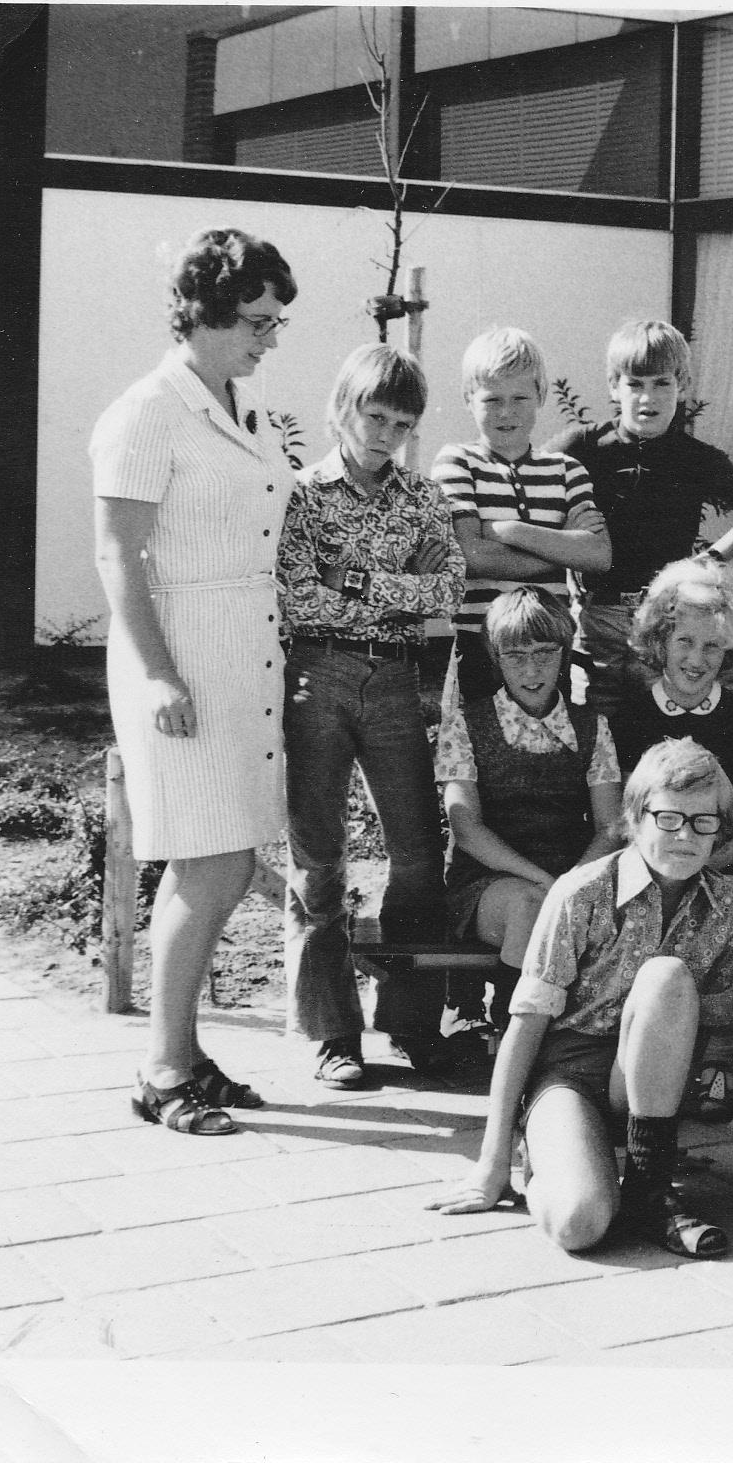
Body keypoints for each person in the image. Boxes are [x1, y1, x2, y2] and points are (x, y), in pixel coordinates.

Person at [93, 227, 298, 1135]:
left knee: (230, 855)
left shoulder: (238, 405)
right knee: (206, 858)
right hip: (180, 658)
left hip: (244, 651)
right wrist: (158, 673)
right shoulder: (145, 411)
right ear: (205, 315)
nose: (268, 338)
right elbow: (117, 552)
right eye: (256, 320)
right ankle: (162, 1070)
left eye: (274, 321)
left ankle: (185, 1049)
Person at [425, 740, 733, 1259]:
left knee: (665, 976)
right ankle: (563, 1153)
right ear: (634, 817)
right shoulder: (582, 892)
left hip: (655, 1080)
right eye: (668, 818)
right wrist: (492, 1162)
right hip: (571, 1071)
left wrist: (721, 1089)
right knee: (578, 1225)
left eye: (703, 822)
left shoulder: (731, 902)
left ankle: (649, 1186)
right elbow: (526, 1027)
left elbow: (716, 1020)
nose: (686, 836)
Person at [276, 343, 465, 1088]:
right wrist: (393, 584)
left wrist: (348, 578)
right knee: (319, 862)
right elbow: (297, 595)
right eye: (374, 415)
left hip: (393, 677)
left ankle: (411, 1021)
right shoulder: (303, 495)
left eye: (402, 422)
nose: (385, 433)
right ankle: (333, 1034)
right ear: (342, 409)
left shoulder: (421, 498)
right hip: (316, 675)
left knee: (417, 855)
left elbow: (445, 589)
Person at [435, 588, 626, 1036]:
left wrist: (573, 881)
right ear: (495, 657)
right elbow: (466, 827)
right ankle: (511, 1029)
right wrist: (547, 884)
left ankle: (573, 1029)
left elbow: (609, 825)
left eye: (544, 653)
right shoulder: (464, 724)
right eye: (516, 655)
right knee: (528, 905)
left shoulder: (591, 726)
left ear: (564, 653)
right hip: (487, 884)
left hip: (570, 873)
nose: (532, 669)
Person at [546, 319, 733, 690]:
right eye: (634, 384)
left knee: (655, 721)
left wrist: (710, 560)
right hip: (596, 616)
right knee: (596, 722)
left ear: (682, 384)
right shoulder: (583, 446)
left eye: (661, 383)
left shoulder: (697, 458)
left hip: (665, 618)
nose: (646, 398)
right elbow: (529, 486)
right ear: (613, 386)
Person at [431, 327, 608, 699]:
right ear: (468, 399)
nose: (507, 412)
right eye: (492, 399)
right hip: (480, 640)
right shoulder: (457, 461)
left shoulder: (566, 470)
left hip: (549, 640)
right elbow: (470, 556)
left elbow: (597, 555)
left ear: (540, 395)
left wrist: (509, 530)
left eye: (520, 398)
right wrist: (560, 551)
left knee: (547, 747)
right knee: (478, 748)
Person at [603, 557, 733, 899]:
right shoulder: (628, 721)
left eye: (712, 646)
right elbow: (624, 827)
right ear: (660, 641)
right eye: (684, 641)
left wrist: (688, 871)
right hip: (650, 867)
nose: (697, 660)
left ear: (729, 651)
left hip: (723, 869)